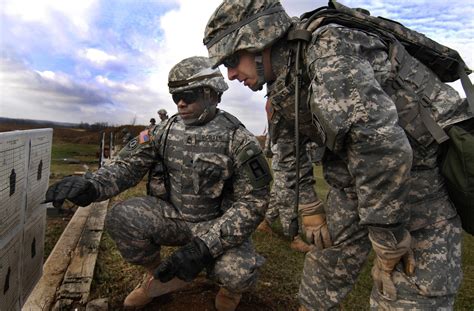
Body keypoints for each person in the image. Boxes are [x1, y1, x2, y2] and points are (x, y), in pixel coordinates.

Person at [203, 0, 471, 309]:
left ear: (259, 39)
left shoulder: (330, 50)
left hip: (418, 183)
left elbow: (380, 147)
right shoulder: (284, 81)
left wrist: (387, 234)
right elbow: (288, 150)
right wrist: (309, 206)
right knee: (323, 272)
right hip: (351, 186)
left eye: (233, 60)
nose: (231, 74)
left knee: (410, 294)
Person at [44, 56, 272, 310]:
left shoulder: (239, 140)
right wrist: (92, 185)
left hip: (217, 225)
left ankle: (230, 292)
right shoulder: (160, 132)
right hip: (174, 218)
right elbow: (127, 166)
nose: (181, 103)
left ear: (212, 94)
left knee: (237, 273)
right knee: (123, 217)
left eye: (188, 95)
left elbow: (253, 202)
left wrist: (206, 247)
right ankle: (160, 276)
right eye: (176, 97)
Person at [258, 100, 318, 253]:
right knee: (286, 197)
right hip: (285, 159)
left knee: (278, 193)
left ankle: (265, 222)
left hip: (291, 156)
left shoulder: (279, 102)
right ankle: (293, 238)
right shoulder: (281, 100)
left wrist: (268, 149)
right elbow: (273, 125)